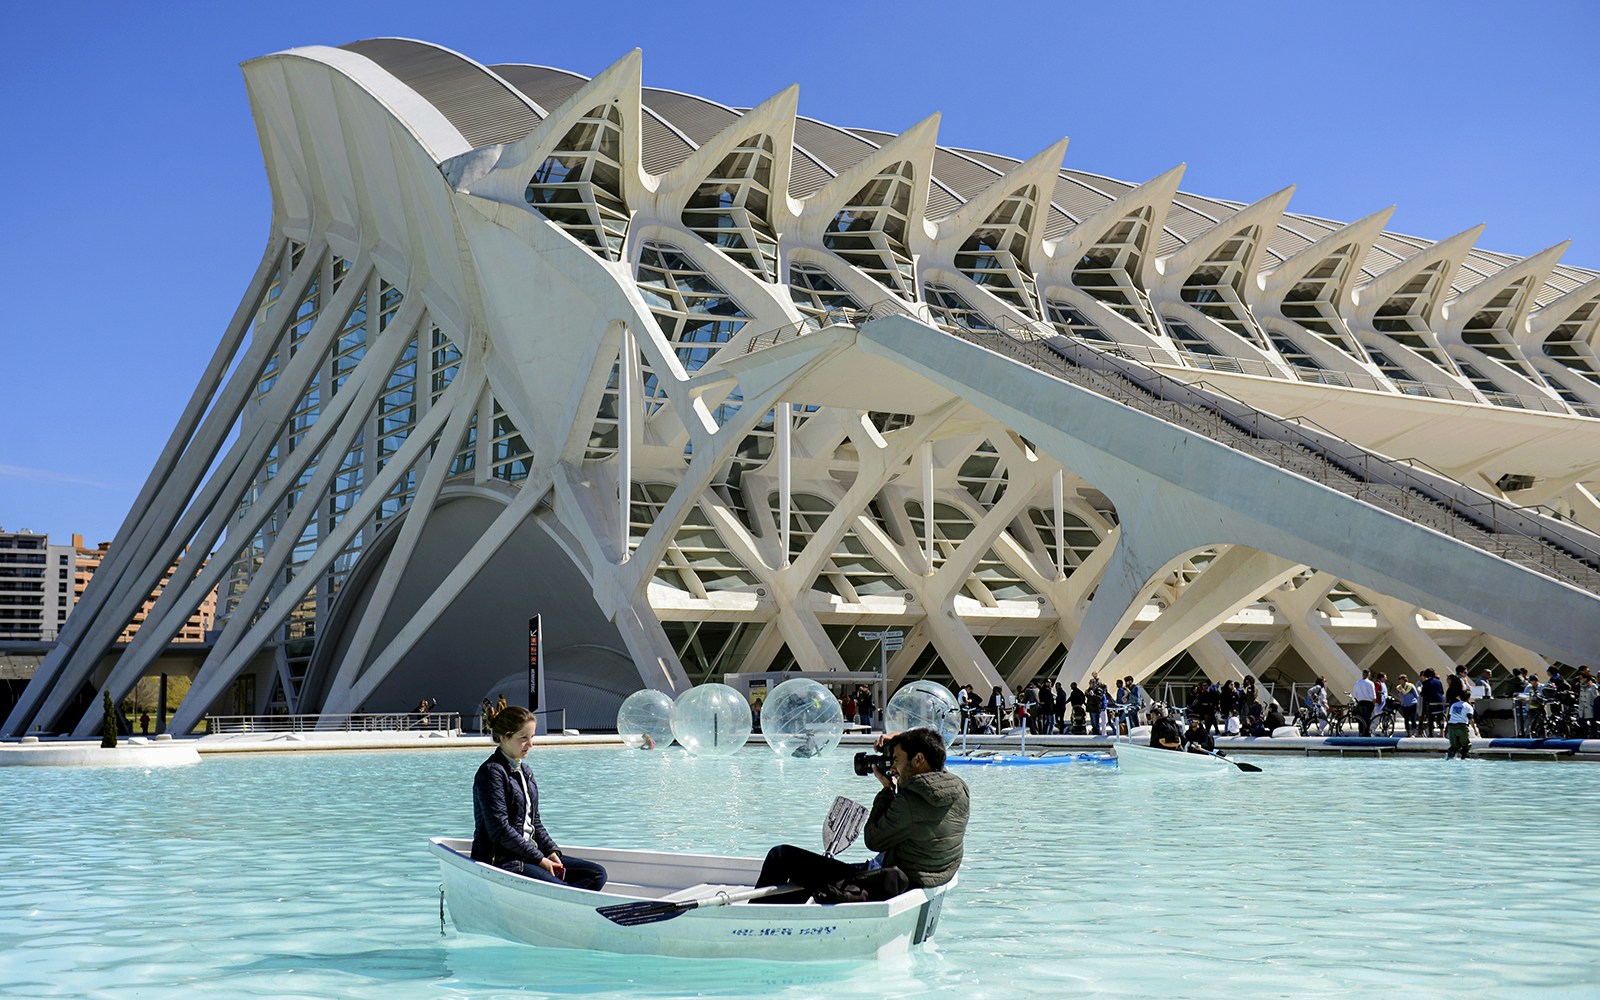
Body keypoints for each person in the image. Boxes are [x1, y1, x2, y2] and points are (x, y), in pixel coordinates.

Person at [754, 727, 969, 901]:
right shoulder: (959, 789)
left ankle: (751, 924)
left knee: (780, 857)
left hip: (886, 881)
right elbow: (931, 755)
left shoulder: (910, 801)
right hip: (920, 878)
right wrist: (899, 739)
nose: (893, 767)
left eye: (896, 759)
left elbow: (873, 839)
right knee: (809, 878)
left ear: (919, 759)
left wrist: (886, 790)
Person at [471, 705, 607, 890]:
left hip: (529, 854)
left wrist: (551, 851)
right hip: (504, 860)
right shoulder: (491, 773)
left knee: (597, 874)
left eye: (532, 737)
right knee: (560, 888)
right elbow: (499, 830)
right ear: (504, 738)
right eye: (523, 738)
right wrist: (540, 859)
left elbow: (534, 821)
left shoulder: (525, 772)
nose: (531, 744)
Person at [1445, 690, 1474, 760]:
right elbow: (1470, 718)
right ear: (1469, 698)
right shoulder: (1468, 707)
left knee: (1454, 746)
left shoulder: (1454, 705)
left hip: (1451, 726)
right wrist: (1475, 729)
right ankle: (1465, 759)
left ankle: (1449, 759)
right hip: (1462, 726)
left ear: (1460, 697)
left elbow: (1450, 716)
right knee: (1466, 746)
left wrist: (1446, 729)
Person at [1420, 668, 1447, 737]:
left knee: (1430, 718)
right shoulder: (1438, 681)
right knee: (1440, 717)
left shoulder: (1425, 683)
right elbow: (1442, 691)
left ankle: (1431, 733)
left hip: (1430, 702)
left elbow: (1423, 693)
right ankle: (1442, 733)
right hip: (1439, 701)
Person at [1352, 669, 1376, 736]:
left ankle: (1361, 731)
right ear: (1369, 675)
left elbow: (1355, 693)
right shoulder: (1370, 683)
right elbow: (1373, 695)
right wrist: (1374, 702)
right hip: (1368, 702)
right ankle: (1367, 732)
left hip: (1360, 702)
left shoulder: (1357, 682)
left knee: (1361, 718)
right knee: (1367, 718)